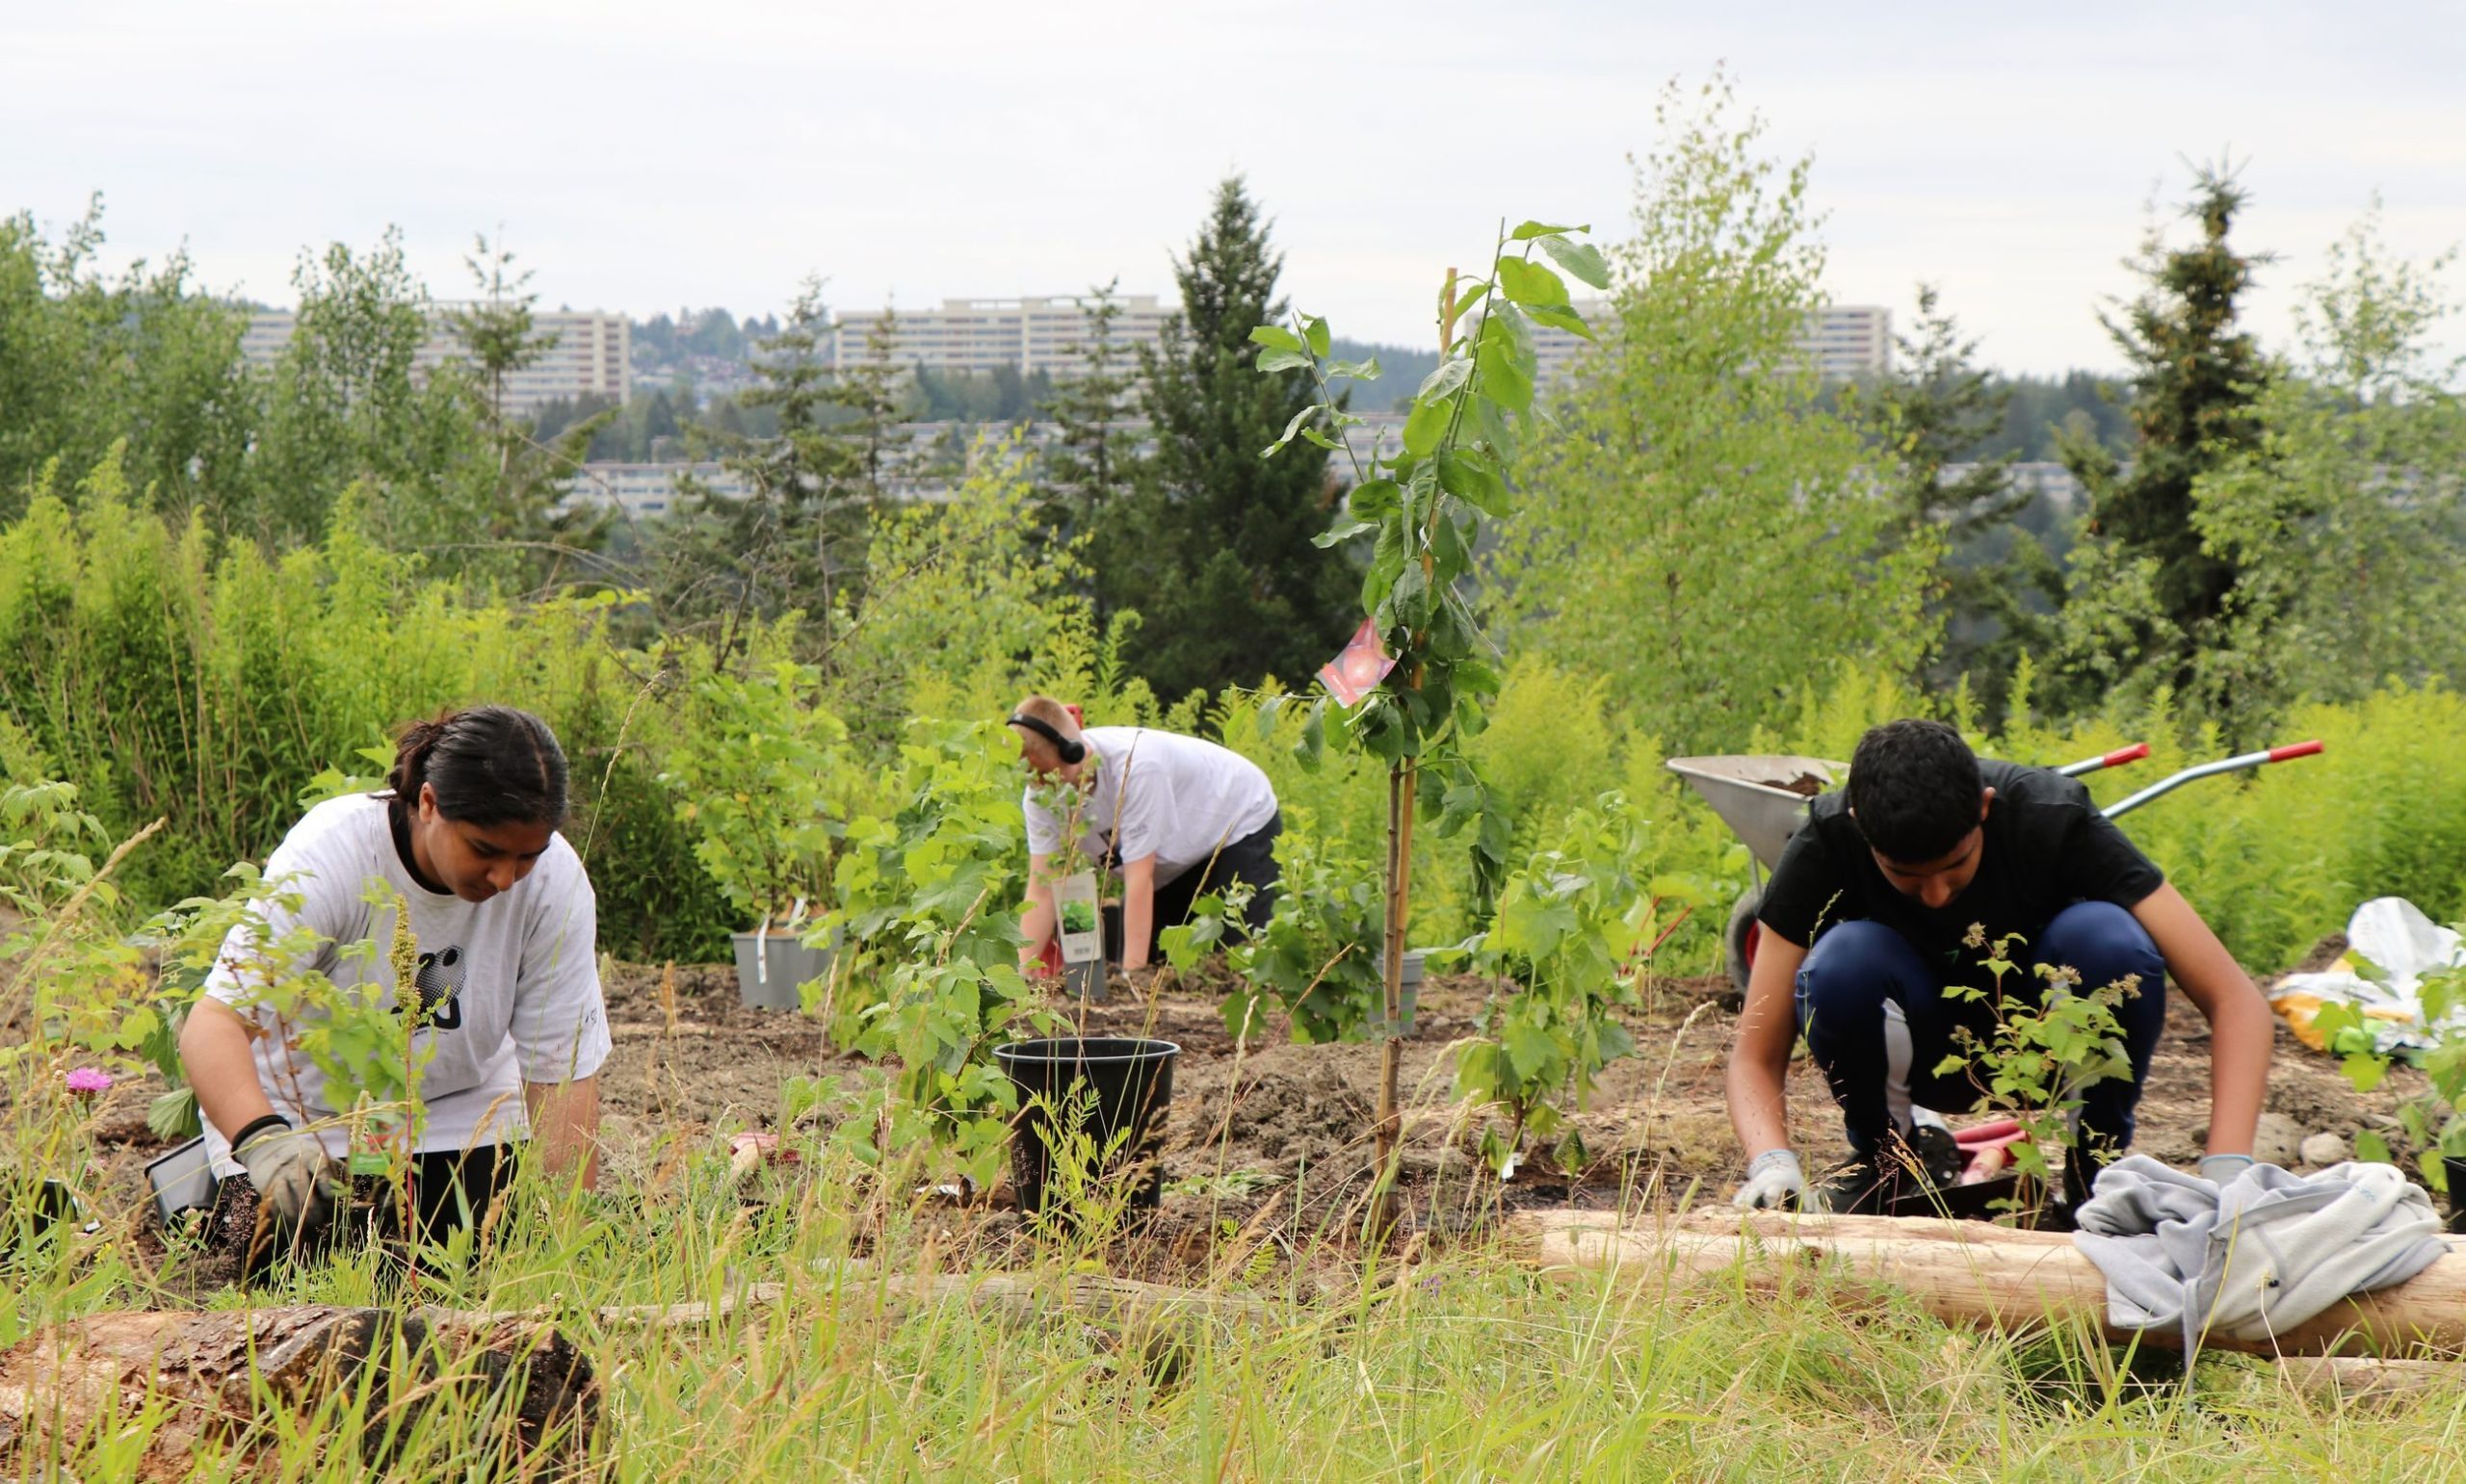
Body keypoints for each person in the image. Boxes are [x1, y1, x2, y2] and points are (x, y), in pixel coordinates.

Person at [1726, 719, 2274, 1214]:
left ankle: (2095, 1178)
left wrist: (2227, 1170)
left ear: (1985, 807)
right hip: (1924, 1048)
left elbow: (2236, 1001)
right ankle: (1891, 1168)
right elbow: (1755, 1052)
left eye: (1956, 867)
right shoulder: (1826, 841)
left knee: (2110, 942)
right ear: (1858, 827)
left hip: (2043, 1047)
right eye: (1906, 876)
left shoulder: (2052, 817)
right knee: (1842, 961)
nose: (1937, 896)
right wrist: (1772, 1164)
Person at [178, 705, 610, 1271]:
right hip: (308, 1128)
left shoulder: (555, 883)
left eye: (526, 857)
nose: (505, 879)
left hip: (461, 1114)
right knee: (308, 1271)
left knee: (476, 1265)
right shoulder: (334, 854)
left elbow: (562, 1076)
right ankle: (199, 1196)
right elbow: (212, 1025)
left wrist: (565, 1245)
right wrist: (266, 1145)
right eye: (484, 850)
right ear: (428, 804)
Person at [1008, 695, 1281, 984]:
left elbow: (1140, 878)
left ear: (1074, 752)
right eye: (1031, 775)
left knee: (1234, 963)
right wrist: (1020, 982)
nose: (1039, 785)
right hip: (1168, 858)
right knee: (1153, 961)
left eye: (1045, 774)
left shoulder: (1136, 768)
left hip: (1234, 824)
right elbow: (1043, 889)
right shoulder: (1040, 793)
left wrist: (1131, 980)